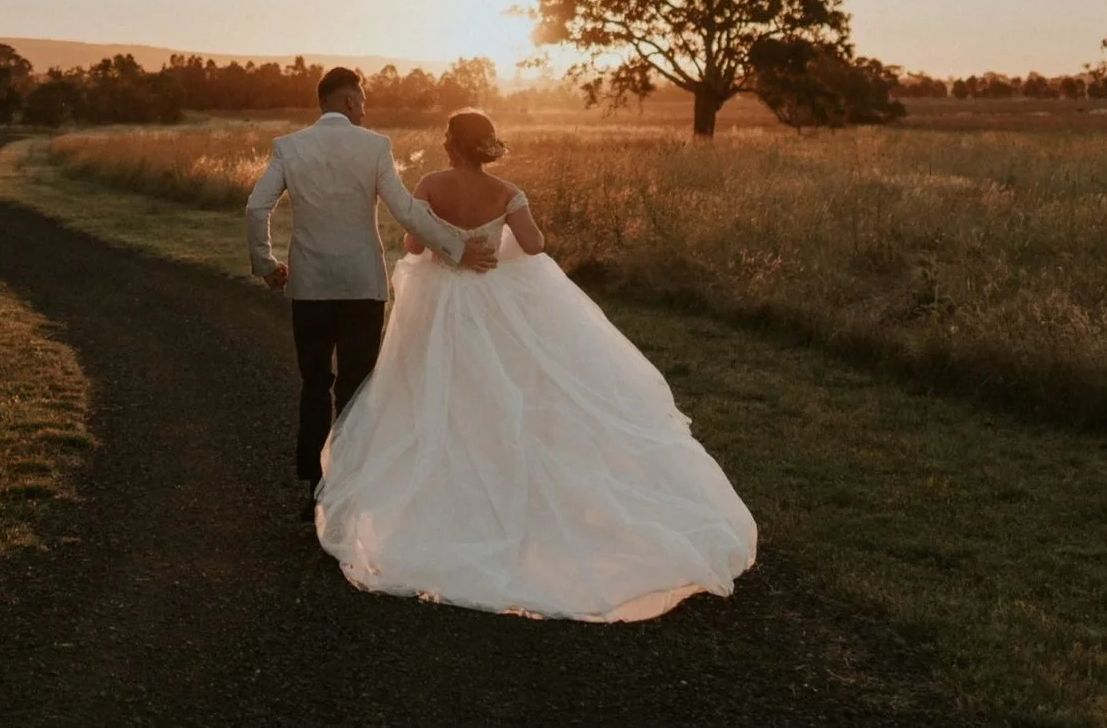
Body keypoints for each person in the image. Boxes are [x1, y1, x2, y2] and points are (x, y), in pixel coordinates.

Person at [313, 108, 758, 621]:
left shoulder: (432, 183)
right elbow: (534, 245)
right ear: (486, 146)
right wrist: (495, 234)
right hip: (495, 303)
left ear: (450, 144)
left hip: (441, 302)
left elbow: (415, 242)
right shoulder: (507, 190)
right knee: (508, 392)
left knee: (442, 394)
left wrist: (450, 241)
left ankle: (449, 506)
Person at [247, 68, 498, 501]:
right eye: (362, 100)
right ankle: (346, 487)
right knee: (356, 388)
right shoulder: (375, 147)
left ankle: (314, 486)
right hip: (363, 285)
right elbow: (406, 211)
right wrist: (458, 249)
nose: (365, 108)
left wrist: (265, 263)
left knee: (314, 383)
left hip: (310, 286)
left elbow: (256, 208)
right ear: (348, 101)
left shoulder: (289, 148)